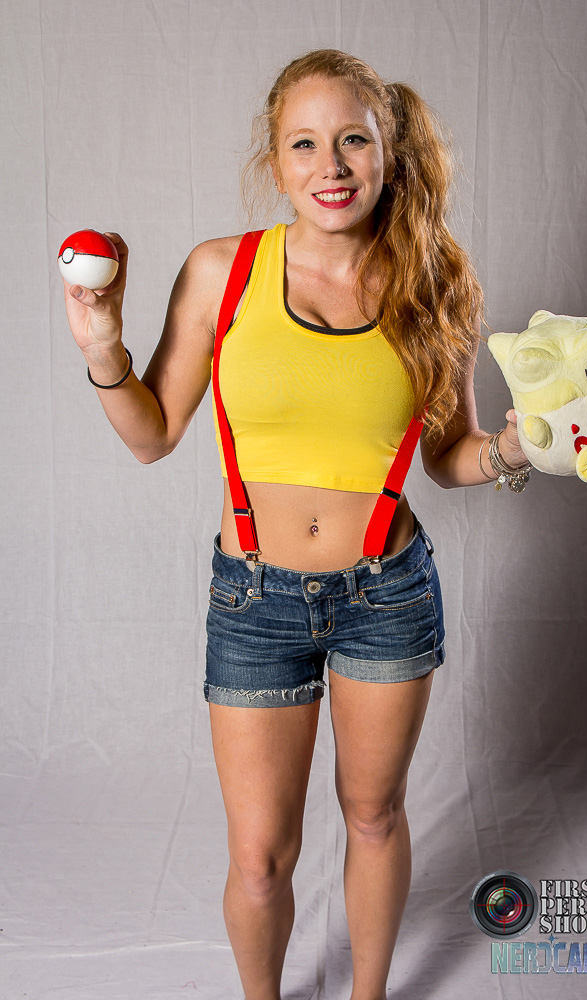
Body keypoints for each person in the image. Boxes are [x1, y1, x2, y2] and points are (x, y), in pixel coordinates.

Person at [62, 48, 528, 1000]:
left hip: (387, 595)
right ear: (274, 161)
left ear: (389, 152)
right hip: (254, 600)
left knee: (373, 816)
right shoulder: (222, 272)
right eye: (305, 143)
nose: (331, 165)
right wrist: (104, 346)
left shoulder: (433, 281)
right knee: (259, 857)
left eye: (354, 139)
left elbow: (450, 455)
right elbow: (153, 435)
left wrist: (521, 450)